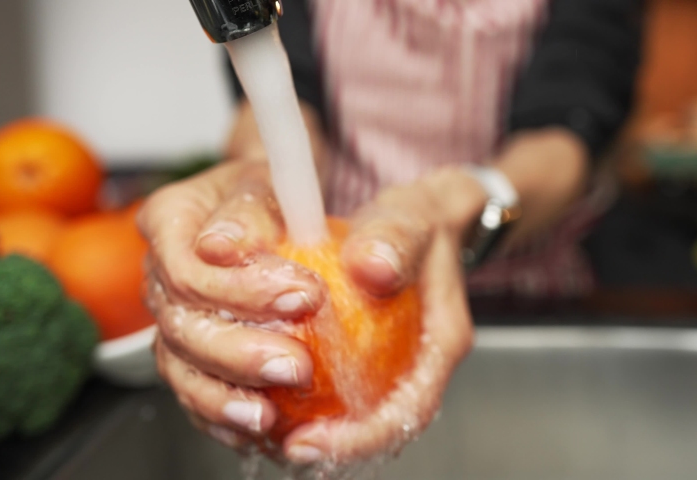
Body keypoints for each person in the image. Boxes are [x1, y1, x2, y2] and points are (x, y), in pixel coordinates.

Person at [139, 0, 642, 466]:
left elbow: (565, 133)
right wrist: (253, 181)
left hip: (528, 300)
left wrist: (459, 209)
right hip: (323, 308)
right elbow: (280, 97)